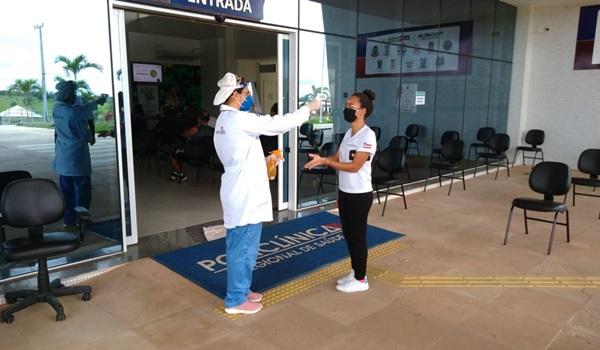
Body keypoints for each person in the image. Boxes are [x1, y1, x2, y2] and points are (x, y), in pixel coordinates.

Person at [213, 72, 321, 314]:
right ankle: (235, 299)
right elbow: (276, 124)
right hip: (244, 195)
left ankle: (241, 289)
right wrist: (308, 109)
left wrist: (266, 159)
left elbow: (238, 156)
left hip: (239, 188)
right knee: (242, 247)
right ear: (235, 96)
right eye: (246, 93)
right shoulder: (239, 119)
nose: (250, 96)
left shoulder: (224, 121)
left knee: (243, 246)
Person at [304, 89, 377, 293]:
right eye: (346, 106)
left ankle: (361, 279)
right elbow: (337, 157)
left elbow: (354, 166)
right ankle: (355, 271)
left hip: (360, 195)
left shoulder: (367, 136)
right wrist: (322, 159)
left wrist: (327, 162)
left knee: (357, 236)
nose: (346, 109)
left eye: (350, 107)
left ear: (362, 111)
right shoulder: (349, 133)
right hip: (346, 193)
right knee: (348, 234)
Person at [52, 81, 107, 227]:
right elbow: (84, 133)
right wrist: (92, 136)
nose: (75, 96)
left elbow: (82, 109)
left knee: (66, 191)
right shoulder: (73, 113)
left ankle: (69, 220)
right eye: (74, 93)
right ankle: (81, 220)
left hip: (63, 158)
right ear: (70, 95)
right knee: (82, 190)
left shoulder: (57, 108)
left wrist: (97, 101)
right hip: (76, 157)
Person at [170, 109, 215, 181]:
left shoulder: (195, 129)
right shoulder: (212, 130)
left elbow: (183, 135)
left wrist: (189, 136)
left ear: (199, 119)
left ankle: (180, 173)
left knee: (173, 153)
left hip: (191, 154)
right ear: (208, 119)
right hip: (207, 155)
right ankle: (177, 173)